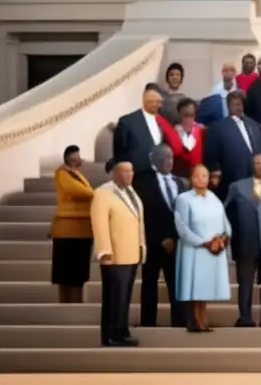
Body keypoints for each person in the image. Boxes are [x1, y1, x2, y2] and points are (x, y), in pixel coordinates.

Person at [225, 154, 261, 328]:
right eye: (257, 163)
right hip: (245, 240)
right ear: (252, 165)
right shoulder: (237, 186)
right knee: (245, 283)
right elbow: (224, 210)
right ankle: (245, 317)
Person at [133, 144, 187, 328]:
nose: (169, 162)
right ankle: (148, 322)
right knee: (149, 283)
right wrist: (160, 238)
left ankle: (179, 322)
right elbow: (144, 213)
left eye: (171, 158)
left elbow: (182, 214)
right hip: (153, 242)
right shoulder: (142, 181)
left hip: (176, 242)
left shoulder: (180, 182)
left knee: (176, 284)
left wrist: (174, 237)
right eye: (164, 158)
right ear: (155, 160)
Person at [92, 160, 145, 347]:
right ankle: (110, 334)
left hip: (130, 253)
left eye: (131, 171)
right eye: (125, 171)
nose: (130, 174)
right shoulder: (103, 193)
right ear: (114, 173)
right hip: (114, 254)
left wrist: (141, 245)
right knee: (114, 297)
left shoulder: (131, 192)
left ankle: (122, 330)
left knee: (124, 296)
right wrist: (104, 251)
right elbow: (99, 224)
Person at [175, 163, 232, 332]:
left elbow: (225, 223)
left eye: (205, 175)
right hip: (195, 249)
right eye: (198, 175)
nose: (202, 179)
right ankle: (193, 319)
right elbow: (182, 227)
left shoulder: (214, 199)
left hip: (214, 250)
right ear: (192, 178)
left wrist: (222, 238)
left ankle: (203, 317)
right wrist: (205, 242)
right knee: (194, 285)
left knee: (205, 286)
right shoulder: (184, 199)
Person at [51, 145, 95, 304]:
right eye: (77, 155)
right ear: (71, 157)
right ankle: (67, 303)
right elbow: (83, 192)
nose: (80, 158)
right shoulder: (62, 173)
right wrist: (95, 194)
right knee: (67, 274)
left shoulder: (77, 174)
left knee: (78, 274)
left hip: (82, 229)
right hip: (68, 230)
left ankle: (76, 302)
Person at [204, 91, 261, 200]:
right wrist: (215, 171)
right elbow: (211, 154)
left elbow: (260, 149)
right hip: (232, 176)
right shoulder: (218, 127)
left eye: (240, 104)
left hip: (254, 175)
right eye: (235, 104)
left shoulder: (253, 124)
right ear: (228, 106)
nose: (238, 107)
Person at [113, 86, 175, 174]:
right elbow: (119, 155)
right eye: (155, 102)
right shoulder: (127, 122)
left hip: (160, 175)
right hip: (137, 175)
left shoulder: (163, 121)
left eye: (160, 102)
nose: (159, 105)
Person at [170, 98, 206, 179]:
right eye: (186, 115)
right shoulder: (173, 132)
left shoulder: (201, 130)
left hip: (198, 175)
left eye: (192, 115)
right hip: (181, 176)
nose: (189, 119)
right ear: (179, 114)